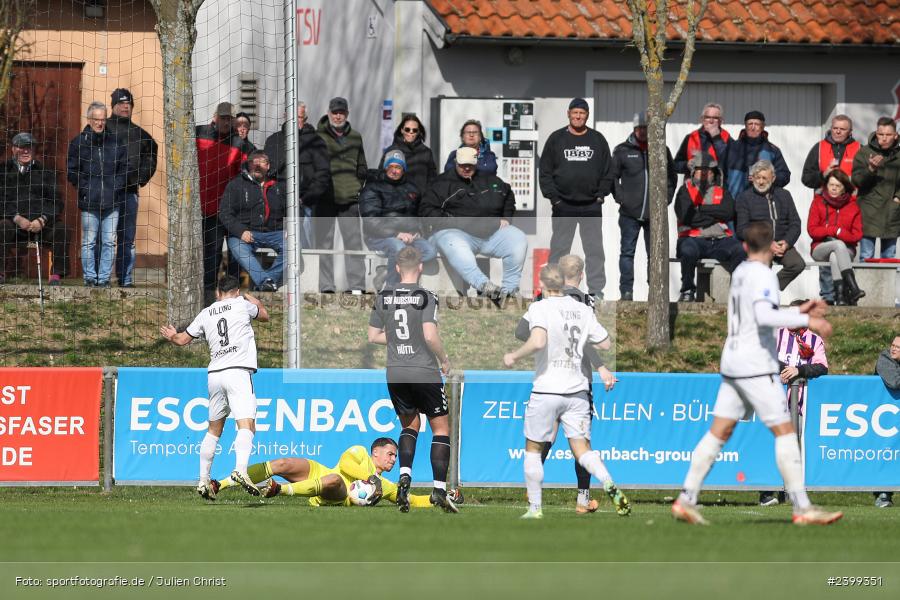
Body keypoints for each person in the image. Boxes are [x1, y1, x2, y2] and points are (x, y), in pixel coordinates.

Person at [671, 221, 842, 526]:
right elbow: (763, 315)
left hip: (734, 361)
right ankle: (803, 507)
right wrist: (805, 318)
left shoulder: (739, 272)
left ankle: (686, 498)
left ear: (745, 247)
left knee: (718, 432)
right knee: (785, 431)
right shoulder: (763, 275)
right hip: (754, 365)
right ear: (774, 245)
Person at [503, 263, 630, 520]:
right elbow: (605, 342)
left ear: (542, 284)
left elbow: (532, 338)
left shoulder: (540, 307)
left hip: (547, 389)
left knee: (534, 447)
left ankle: (535, 508)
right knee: (583, 449)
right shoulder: (583, 308)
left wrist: (515, 355)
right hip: (577, 390)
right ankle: (607, 483)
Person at [159, 274, 269, 500]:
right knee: (247, 423)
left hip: (215, 375)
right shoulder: (242, 304)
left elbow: (182, 340)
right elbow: (265, 315)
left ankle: (202, 480)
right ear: (236, 292)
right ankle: (240, 469)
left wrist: (171, 336)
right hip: (238, 371)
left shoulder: (206, 312)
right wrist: (253, 299)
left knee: (213, 429)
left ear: (218, 293)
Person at [367, 246, 458, 513]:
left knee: (410, 426)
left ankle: (404, 474)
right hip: (423, 369)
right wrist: (444, 359)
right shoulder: (426, 296)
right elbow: (430, 335)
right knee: (440, 429)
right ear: (420, 268)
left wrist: (397, 341)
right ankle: (439, 489)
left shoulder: (383, 296)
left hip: (396, 371)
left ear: (396, 268)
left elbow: (373, 337)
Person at [211, 438, 460, 508]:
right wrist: (369, 476)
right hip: (323, 471)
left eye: (395, 456)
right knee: (284, 463)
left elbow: (413, 500)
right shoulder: (361, 453)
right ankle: (219, 485)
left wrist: (441, 496)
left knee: (333, 481)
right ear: (375, 452)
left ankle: (279, 490)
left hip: (338, 492)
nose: (394, 460)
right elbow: (345, 462)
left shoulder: (385, 486)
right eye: (390, 454)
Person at [420, 146, 526, 299]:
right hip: (454, 233)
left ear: (476, 163)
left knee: (518, 238)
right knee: (453, 243)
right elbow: (426, 210)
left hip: (489, 234)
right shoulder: (442, 182)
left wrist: (506, 217)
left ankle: (510, 290)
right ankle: (485, 286)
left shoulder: (489, 180)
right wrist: (452, 222)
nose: (466, 168)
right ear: (456, 162)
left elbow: (507, 194)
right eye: (463, 164)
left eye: (470, 164)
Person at [539, 97, 613, 298]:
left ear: (587, 116)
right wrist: (554, 198)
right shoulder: (556, 139)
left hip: (591, 205)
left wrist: (600, 195)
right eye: (575, 112)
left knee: (595, 250)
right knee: (559, 249)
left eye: (582, 113)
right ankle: (552, 289)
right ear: (569, 114)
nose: (578, 116)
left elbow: (609, 171)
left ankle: (596, 291)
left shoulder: (597, 139)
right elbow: (544, 171)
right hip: (563, 205)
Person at [759, 298, 829, 507]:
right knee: (769, 444)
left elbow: (822, 367)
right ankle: (767, 492)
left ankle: (791, 492)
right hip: (772, 398)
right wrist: (785, 368)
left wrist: (800, 371)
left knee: (794, 447)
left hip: (800, 402)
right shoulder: (776, 334)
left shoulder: (814, 340)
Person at [610, 111, 676, 300]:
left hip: (654, 214)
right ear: (634, 129)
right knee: (627, 253)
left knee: (654, 256)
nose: (643, 131)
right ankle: (626, 291)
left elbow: (671, 177)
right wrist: (620, 197)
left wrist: (665, 200)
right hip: (629, 213)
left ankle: (654, 292)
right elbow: (612, 177)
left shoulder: (662, 150)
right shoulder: (622, 150)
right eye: (639, 128)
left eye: (646, 128)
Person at [801, 114, 861, 304]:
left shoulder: (858, 149)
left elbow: (864, 178)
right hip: (824, 206)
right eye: (835, 128)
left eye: (842, 129)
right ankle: (836, 294)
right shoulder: (819, 148)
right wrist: (823, 175)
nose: (837, 131)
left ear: (849, 132)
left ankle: (838, 296)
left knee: (837, 254)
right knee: (830, 255)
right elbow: (806, 178)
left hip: (848, 206)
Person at [66, 101, 126, 287]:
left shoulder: (116, 142)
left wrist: (116, 186)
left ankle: (104, 278)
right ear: (89, 119)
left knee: (109, 242)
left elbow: (125, 168)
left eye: (103, 119)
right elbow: (72, 171)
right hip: (89, 201)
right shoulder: (78, 142)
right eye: (96, 119)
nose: (100, 123)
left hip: (112, 201)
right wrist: (85, 188)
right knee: (89, 242)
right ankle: (90, 278)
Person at [359, 150, 436, 290]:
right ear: (386, 167)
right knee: (399, 248)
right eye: (391, 167)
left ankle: (387, 270)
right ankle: (391, 288)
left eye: (398, 167)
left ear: (403, 169)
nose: (394, 171)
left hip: (409, 236)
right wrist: (396, 234)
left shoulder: (412, 189)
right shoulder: (372, 188)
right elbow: (370, 220)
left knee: (430, 251)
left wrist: (418, 231)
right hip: (380, 236)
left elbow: (419, 214)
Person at [674, 151, 745, 302]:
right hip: (692, 239)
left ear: (714, 172)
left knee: (740, 250)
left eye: (709, 170)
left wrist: (701, 209)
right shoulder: (684, 191)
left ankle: (737, 294)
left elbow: (729, 212)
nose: (705, 173)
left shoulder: (722, 191)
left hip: (720, 240)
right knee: (687, 251)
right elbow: (687, 217)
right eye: (701, 169)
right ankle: (687, 290)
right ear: (694, 172)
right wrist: (715, 215)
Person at [106, 88, 158, 288]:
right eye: (121, 103)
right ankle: (102, 279)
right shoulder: (104, 129)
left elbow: (152, 153)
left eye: (128, 104)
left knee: (127, 239)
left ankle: (125, 279)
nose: (125, 106)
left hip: (129, 193)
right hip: (106, 193)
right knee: (106, 238)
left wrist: (141, 178)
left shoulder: (139, 134)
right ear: (113, 106)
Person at [1, 132, 68, 285]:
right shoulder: (3, 171)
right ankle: (0, 272)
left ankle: (56, 275)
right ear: (13, 149)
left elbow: (57, 202)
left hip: (40, 226)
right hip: (15, 225)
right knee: (2, 227)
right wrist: (17, 218)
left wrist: (42, 219)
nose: (26, 151)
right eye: (22, 147)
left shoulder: (45, 172)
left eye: (29, 147)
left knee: (61, 229)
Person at [316, 97, 368, 293]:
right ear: (329, 113)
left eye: (342, 112)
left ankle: (357, 286)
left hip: (349, 199)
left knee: (354, 243)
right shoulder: (318, 136)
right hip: (325, 198)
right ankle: (326, 286)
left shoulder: (355, 137)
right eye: (335, 112)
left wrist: (358, 186)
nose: (338, 116)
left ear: (347, 114)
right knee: (324, 244)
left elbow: (362, 165)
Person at [263, 101, 331, 249]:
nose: (295, 120)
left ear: (304, 119)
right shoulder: (273, 140)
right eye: (292, 116)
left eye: (299, 117)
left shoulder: (316, 142)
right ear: (285, 116)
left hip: (304, 202)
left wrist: (305, 199)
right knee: (276, 245)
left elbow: (323, 175)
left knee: (303, 244)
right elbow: (266, 173)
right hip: (276, 203)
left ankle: (304, 272)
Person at [196, 101, 246, 293]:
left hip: (230, 210)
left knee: (235, 253)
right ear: (215, 117)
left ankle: (233, 293)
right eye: (223, 118)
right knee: (211, 254)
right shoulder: (198, 134)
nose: (226, 122)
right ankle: (208, 292)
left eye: (229, 119)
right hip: (207, 207)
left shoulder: (240, 144)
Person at [218, 150, 285, 292]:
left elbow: (293, 210)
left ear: (268, 166)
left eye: (261, 162)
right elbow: (224, 213)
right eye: (253, 162)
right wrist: (241, 231)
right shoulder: (235, 185)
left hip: (276, 232)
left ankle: (269, 280)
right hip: (247, 233)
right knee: (235, 245)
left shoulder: (280, 185)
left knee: (294, 243)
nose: (257, 165)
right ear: (248, 165)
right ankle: (265, 281)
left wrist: (289, 229)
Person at [735, 160, 804, 291]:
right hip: (759, 245)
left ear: (773, 178)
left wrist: (787, 242)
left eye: (764, 178)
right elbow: (742, 229)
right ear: (752, 178)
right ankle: (761, 297)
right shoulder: (744, 198)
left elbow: (795, 223)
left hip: (781, 243)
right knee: (762, 269)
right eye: (757, 177)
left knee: (797, 264)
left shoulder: (784, 195)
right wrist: (766, 243)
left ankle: (769, 287)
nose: (760, 182)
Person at [807, 170, 864, 305]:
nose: (833, 188)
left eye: (837, 186)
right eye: (831, 184)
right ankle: (852, 287)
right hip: (820, 247)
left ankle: (839, 297)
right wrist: (835, 230)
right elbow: (812, 230)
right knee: (837, 245)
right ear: (826, 185)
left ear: (844, 187)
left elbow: (857, 235)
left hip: (847, 250)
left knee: (835, 255)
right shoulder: (817, 203)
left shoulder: (853, 206)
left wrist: (838, 233)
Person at [852, 116, 900, 260]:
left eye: (888, 135)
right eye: (881, 134)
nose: (884, 138)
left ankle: (886, 284)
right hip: (869, 211)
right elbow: (857, 181)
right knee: (867, 257)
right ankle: (865, 284)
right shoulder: (864, 153)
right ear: (876, 133)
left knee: (889, 258)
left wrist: (898, 197)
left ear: (896, 135)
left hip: (893, 212)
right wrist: (871, 169)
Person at [725, 110, 791, 199]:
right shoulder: (732, 149)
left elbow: (784, 175)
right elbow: (720, 174)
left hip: (762, 204)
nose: (753, 127)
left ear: (763, 126)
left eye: (757, 124)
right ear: (745, 126)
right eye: (750, 124)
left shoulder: (772, 151)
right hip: (734, 204)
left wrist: (767, 178)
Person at [873, 335, 900, 508]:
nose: (894, 348)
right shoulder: (885, 358)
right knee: (887, 452)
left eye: (898, 347)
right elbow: (895, 382)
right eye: (893, 345)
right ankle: (883, 495)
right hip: (885, 419)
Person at [674, 103, 733, 181]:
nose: (711, 121)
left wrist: (716, 138)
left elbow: (732, 164)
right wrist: (686, 165)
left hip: (717, 187)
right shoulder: (691, 137)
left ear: (720, 121)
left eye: (715, 118)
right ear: (702, 119)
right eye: (708, 117)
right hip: (693, 188)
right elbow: (675, 165)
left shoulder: (727, 138)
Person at [381, 113, 436, 195]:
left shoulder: (426, 152)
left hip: (420, 202)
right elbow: (381, 175)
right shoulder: (391, 151)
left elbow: (432, 178)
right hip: (396, 200)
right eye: (407, 129)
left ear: (418, 132)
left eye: (414, 130)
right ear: (402, 130)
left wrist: (427, 197)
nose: (411, 132)